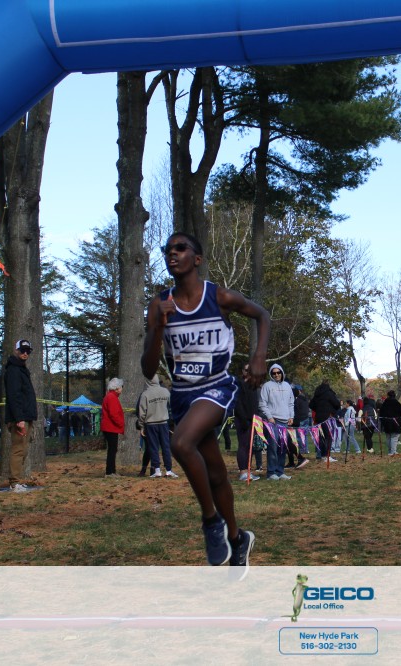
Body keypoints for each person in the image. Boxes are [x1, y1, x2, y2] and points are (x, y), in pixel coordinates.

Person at [141, 232, 269, 572]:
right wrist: (158, 327)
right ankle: (237, 538)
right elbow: (148, 369)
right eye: (168, 250)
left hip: (217, 387)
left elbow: (262, 315)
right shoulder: (159, 304)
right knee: (215, 473)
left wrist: (259, 356)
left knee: (181, 444)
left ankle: (211, 521)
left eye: (180, 248)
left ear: (197, 259)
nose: (172, 254)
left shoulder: (219, 296)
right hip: (182, 394)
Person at [3, 339, 37, 493]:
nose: (25, 353)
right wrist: (19, 419)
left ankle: (17, 480)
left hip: (26, 415)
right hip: (19, 417)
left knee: (23, 450)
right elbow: (14, 395)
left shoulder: (21, 369)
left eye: (27, 351)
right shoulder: (13, 370)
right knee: (18, 449)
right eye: (22, 350)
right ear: (16, 350)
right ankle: (14, 483)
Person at [136, 374, 177, 478]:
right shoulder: (165, 391)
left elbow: (142, 412)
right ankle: (168, 470)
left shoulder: (145, 394)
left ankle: (157, 470)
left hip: (151, 424)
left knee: (153, 447)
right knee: (165, 446)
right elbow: (172, 406)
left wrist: (141, 425)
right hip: (164, 422)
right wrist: (172, 420)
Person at [258, 363, 294, 481]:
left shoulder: (287, 386)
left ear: (282, 373)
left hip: (285, 421)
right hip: (273, 421)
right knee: (273, 447)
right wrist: (269, 417)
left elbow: (291, 403)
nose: (276, 375)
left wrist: (291, 416)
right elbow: (262, 403)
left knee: (283, 448)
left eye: (278, 372)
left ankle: (280, 471)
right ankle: (271, 473)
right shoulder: (267, 386)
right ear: (271, 374)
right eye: (274, 373)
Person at [234, 382, 263, 481]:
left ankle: (248, 471)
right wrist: (243, 419)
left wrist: (256, 417)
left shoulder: (253, 386)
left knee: (249, 446)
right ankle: (243, 472)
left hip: (253, 419)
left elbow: (254, 404)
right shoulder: (239, 384)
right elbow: (237, 404)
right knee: (243, 445)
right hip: (243, 419)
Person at [310, 379, 340, 462]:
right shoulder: (329, 393)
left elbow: (311, 404)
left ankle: (322, 455)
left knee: (321, 437)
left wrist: (318, 410)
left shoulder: (317, 394)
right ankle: (327, 455)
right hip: (328, 417)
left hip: (319, 418)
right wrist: (331, 409)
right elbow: (337, 404)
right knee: (328, 436)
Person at [101, 378, 126, 477]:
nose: (122, 389)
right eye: (121, 387)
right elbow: (113, 414)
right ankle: (110, 472)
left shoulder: (110, 396)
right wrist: (120, 423)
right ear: (117, 388)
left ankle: (112, 471)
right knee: (112, 450)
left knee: (112, 450)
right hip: (111, 427)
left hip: (109, 427)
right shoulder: (112, 398)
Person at [379, 390, 401, 455]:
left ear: (388, 395)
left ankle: (390, 451)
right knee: (394, 437)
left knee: (388, 437)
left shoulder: (384, 403)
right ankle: (392, 451)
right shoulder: (396, 403)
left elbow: (380, 413)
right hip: (395, 422)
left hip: (386, 422)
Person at [291, 386, 311, 469]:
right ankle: (305, 449)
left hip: (301, 419)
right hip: (306, 418)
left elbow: (297, 411)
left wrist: (296, 420)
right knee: (304, 435)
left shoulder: (297, 400)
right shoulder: (305, 399)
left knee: (299, 436)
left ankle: (302, 449)